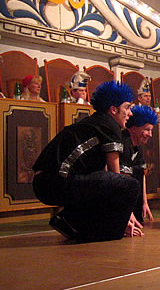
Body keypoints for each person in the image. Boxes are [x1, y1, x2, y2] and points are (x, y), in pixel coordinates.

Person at [32, 81, 142, 242]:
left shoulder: (96, 121)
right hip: (54, 183)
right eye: (127, 107)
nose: (130, 113)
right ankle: (110, 232)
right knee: (129, 185)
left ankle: (70, 222)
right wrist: (125, 215)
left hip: (44, 183)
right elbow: (116, 176)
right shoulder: (110, 125)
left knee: (100, 180)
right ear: (113, 109)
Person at [120, 105, 159, 224]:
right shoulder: (123, 143)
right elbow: (121, 179)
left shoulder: (138, 148)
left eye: (151, 130)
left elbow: (141, 175)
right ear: (133, 129)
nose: (150, 134)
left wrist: (144, 203)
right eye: (146, 129)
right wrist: (127, 212)